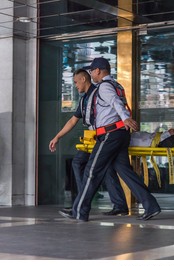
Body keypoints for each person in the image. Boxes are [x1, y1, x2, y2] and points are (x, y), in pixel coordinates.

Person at [59, 57, 160, 222]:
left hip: (110, 134)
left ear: (98, 70)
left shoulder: (105, 86)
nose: (91, 74)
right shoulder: (117, 85)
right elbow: (119, 103)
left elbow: (115, 103)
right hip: (119, 134)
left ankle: (79, 211)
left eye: (92, 71)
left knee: (92, 171)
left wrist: (125, 118)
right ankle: (151, 206)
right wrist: (125, 119)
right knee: (125, 172)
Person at [49, 69, 129, 216]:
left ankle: (82, 203)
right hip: (94, 137)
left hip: (105, 136)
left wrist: (124, 120)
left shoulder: (99, 92)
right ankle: (117, 204)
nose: (75, 86)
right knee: (103, 167)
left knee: (84, 164)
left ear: (83, 79)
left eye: (75, 82)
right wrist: (57, 137)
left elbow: (115, 105)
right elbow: (73, 120)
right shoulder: (84, 98)